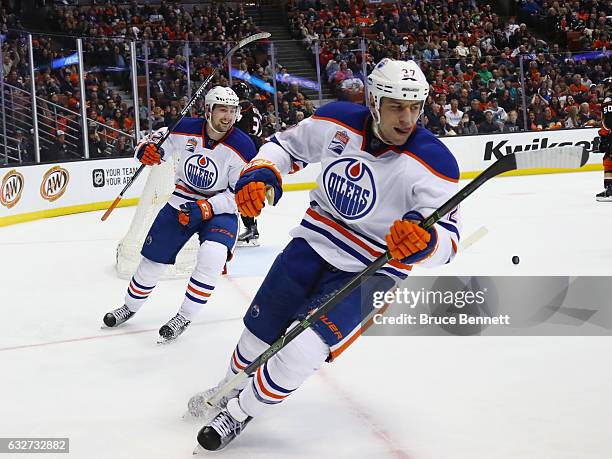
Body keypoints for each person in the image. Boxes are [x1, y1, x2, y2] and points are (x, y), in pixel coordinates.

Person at [189, 59, 462, 450]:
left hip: (373, 270)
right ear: (373, 101)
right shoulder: (337, 122)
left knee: (302, 348)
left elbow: (450, 241)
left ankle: (239, 412)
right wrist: (262, 171)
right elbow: (284, 147)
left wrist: (427, 242)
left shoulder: (435, 162)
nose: (408, 118)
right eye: (396, 107)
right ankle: (228, 386)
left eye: (415, 107)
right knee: (256, 336)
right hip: (313, 243)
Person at [103, 86, 257, 341]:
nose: (227, 116)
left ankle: (184, 317)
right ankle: (128, 308)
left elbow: (237, 195)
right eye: (222, 110)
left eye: (232, 110)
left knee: (212, 256)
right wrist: (146, 151)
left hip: (220, 209)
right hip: (182, 201)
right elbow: (154, 142)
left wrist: (206, 208)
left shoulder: (243, 146)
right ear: (208, 110)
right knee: (152, 261)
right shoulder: (184, 127)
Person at [232, 81, 263, 247]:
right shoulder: (253, 107)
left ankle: (250, 228)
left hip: (245, 147)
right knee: (244, 188)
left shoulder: (242, 106)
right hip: (256, 146)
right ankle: (251, 227)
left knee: (239, 189)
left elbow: (231, 124)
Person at [596, 77, 612, 202]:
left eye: (603, 86)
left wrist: (605, 137)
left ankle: (610, 190)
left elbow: (608, 122)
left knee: (608, 161)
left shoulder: (608, 100)